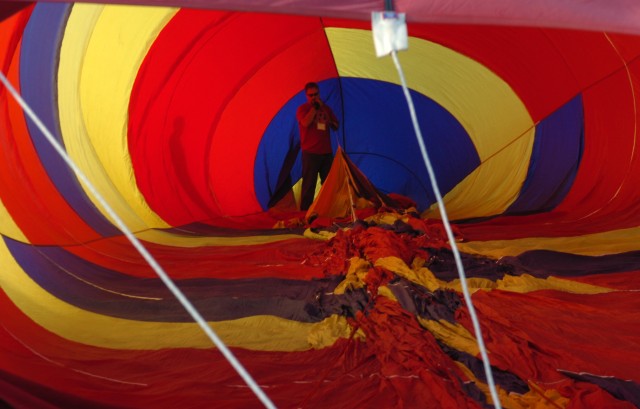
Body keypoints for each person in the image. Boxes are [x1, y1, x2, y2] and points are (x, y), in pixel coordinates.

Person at [296, 82, 339, 211]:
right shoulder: (303, 109)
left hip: (326, 153)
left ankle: (327, 210)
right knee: (309, 185)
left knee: (328, 185)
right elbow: (305, 123)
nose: (314, 97)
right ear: (306, 96)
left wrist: (331, 122)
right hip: (310, 153)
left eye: (316, 94)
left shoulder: (326, 108)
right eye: (311, 95)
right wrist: (314, 108)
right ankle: (305, 213)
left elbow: (336, 126)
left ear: (319, 93)